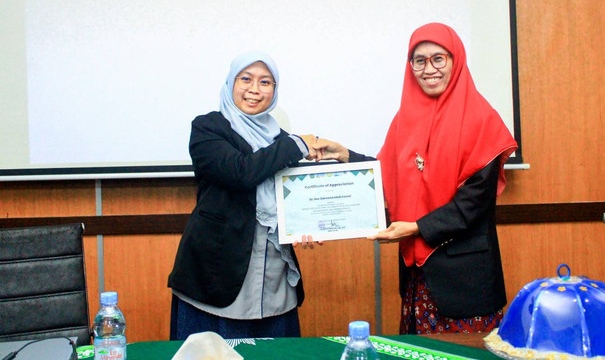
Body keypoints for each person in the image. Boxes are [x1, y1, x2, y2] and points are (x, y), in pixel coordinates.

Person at [167, 51, 363, 340]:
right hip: (216, 281)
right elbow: (240, 172)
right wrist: (296, 144)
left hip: (273, 282)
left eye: (265, 82)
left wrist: (307, 222)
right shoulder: (208, 127)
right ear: (230, 83)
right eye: (245, 79)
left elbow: (303, 197)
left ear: (275, 90)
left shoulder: (280, 140)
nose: (254, 89)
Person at [369, 22, 518, 334]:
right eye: (419, 60)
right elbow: (385, 174)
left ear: (456, 60)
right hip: (417, 279)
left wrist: (416, 227)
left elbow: (473, 204)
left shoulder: (481, 119)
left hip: (466, 281)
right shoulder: (404, 118)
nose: (428, 69)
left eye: (439, 58)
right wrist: (346, 158)